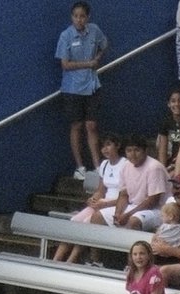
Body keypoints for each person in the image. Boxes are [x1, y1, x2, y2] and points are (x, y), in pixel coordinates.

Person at [53, 133, 126, 264]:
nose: (105, 149)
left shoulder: (125, 165)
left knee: (87, 224)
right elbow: (101, 190)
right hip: (101, 204)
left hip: (116, 205)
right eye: (102, 146)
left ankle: (70, 261)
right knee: (74, 221)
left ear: (118, 145)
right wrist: (93, 199)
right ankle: (55, 260)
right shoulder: (104, 164)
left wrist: (105, 204)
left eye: (108, 145)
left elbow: (126, 196)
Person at [56, 1, 109, 180]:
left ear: (88, 17)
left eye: (82, 16)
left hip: (92, 85)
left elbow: (104, 45)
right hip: (72, 89)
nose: (79, 20)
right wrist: (88, 63)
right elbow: (65, 64)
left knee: (91, 125)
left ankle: (97, 166)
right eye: (75, 16)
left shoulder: (94, 30)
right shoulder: (66, 36)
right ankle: (80, 167)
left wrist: (98, 58)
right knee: (77, 126)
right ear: (72, 17)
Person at [113, 134, 170, 231]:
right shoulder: (125, 166)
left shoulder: (154, 167)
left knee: (132, 221)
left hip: (158, 210)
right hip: (134, 207)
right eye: (129, 151)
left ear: (145, 151)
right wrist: (118, 213)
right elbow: (123, 195)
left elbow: (152, 201)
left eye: (137, 150)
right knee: (98, 216)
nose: (133, 154)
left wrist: (127, 215)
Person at [156, 87, 180, 173]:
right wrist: (163, 171)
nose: (177, 104)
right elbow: (162, 150)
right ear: (168, 104)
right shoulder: (166, 122)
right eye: (173, 101)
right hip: (170, 163)